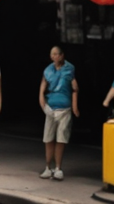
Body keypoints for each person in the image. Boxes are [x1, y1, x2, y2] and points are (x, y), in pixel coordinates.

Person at [38, 44, 78, 180]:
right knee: (48, 139)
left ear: (62, 55)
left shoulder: (69, 69)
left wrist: (74, 106)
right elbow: (41, 91)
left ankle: (58, 168)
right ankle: (48, 167)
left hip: (64, 109)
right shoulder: (47, 70)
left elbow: (75, 89)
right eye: (52, 54)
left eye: (56, 54)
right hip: (50, 108)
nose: (54, 56)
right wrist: (44, 107)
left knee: (61, 139)